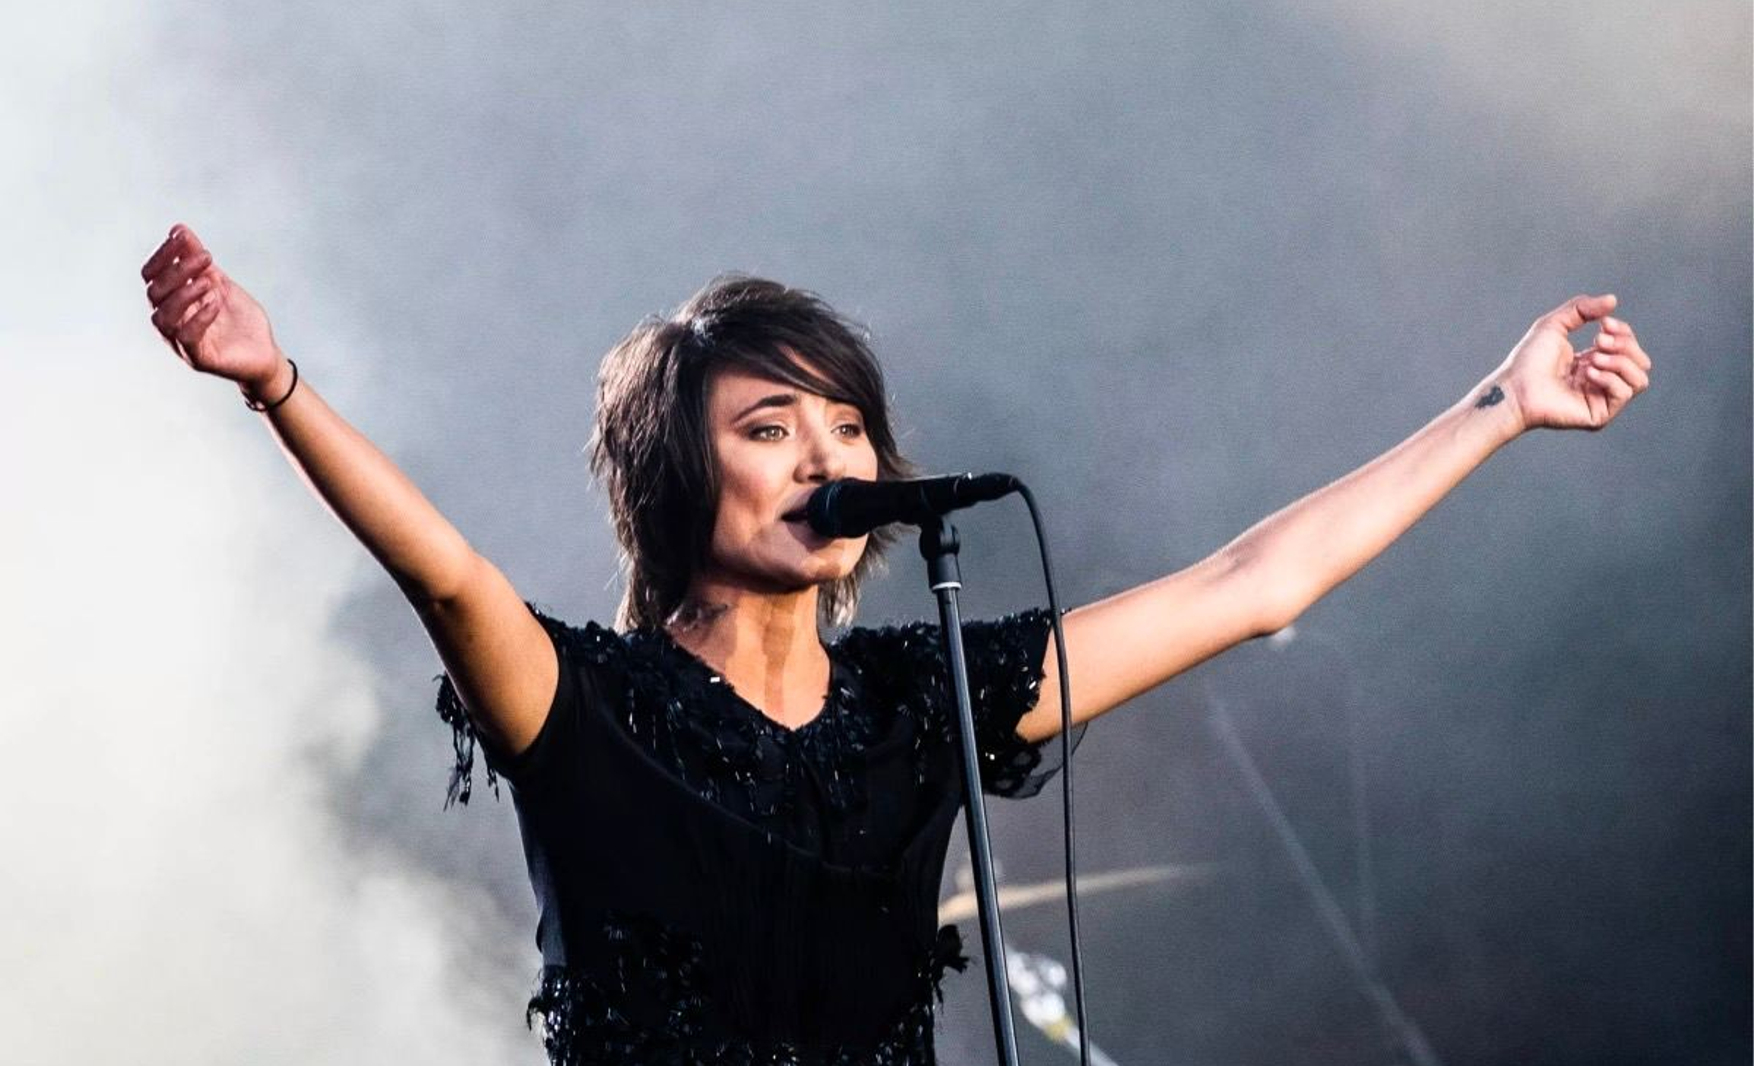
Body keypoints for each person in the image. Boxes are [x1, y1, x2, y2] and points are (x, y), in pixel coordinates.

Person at [139, 223, 1650, 1064]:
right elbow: (447, 574)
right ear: (675, 473)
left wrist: (1499, 407)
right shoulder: (591, 704)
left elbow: (1251, 583)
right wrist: (276, 382)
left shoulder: (920, 697)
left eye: (848, 424)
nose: (824, 455)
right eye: (769, 427)